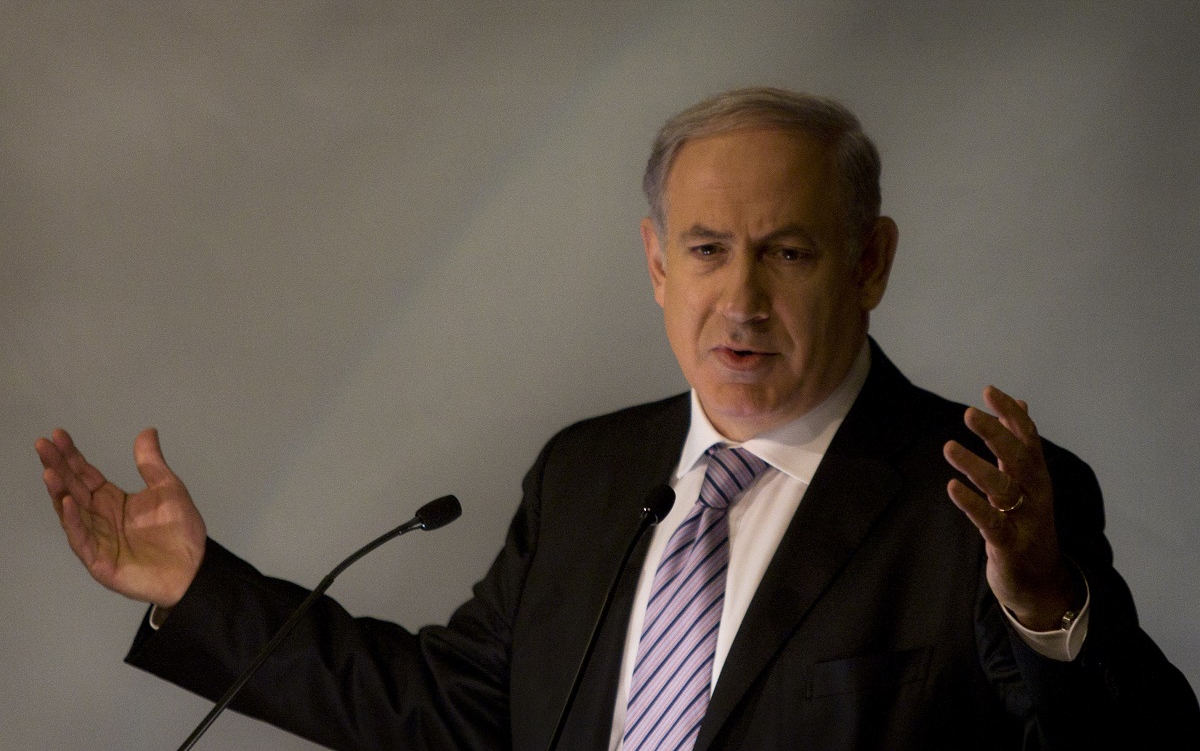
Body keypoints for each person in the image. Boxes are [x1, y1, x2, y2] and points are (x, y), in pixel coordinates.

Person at [37, 88, 1199, 749]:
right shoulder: (589, 475)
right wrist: (200, 590)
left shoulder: (983, 500)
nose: (739, 300)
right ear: (655, 264)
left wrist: (1044, 606)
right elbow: (453, 715)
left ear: (870, 263)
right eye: (707, 250)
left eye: (788, 253)